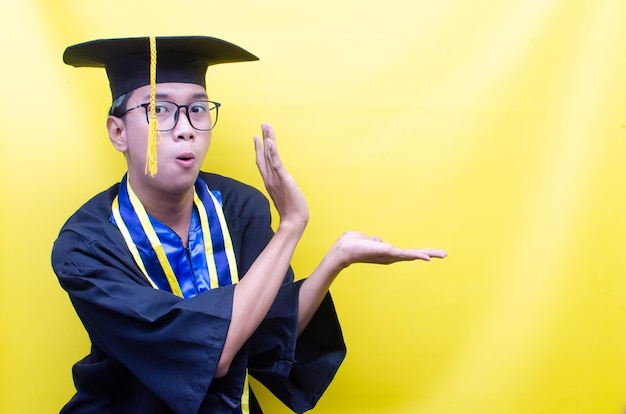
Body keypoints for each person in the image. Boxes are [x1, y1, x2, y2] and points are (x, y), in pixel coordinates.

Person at [52, 35, 447, 414]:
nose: (186, 127)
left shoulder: (239, 209)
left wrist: (336, 259)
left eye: (198, 108)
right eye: (159, 110)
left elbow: (267, 335)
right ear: (118, 131)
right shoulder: (86, 247)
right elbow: (213, 354)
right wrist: (291, 225)